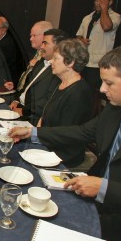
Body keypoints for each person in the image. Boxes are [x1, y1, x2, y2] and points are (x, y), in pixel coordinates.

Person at [10, 45, 121, 241]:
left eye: (109, 83)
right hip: (91, 199)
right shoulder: (117, 109)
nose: (103, 90)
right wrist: (32, 132)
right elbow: (81, 132)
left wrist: (103, 187)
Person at [36, 38, 93, 167]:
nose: (51, 62)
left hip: (62, 158)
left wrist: (36, 136)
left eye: (56, 58)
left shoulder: (79, 93)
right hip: (46, 145)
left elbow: (66, 135)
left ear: (70, 62)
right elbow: (45, 116)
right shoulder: (62, 83)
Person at [8, 29, 68, 125]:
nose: (42, 46)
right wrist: (16, 100)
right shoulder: (40, 62)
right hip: (20, 106)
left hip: (32, 117)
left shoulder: (58, 71)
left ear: (58, 46)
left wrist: (22, 111)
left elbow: (46, 102)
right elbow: (25, 87)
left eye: (45, 43)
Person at [76, 0, 121, 90]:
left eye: (102, 1)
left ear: (110, 2)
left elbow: (106, 27)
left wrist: (104, 9)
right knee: (81, 89)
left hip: (99, 63)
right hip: (83, 60)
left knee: (92, 92)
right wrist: (81, 40)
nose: (98, 3)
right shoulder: (88, 17)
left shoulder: (115, 17)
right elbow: (79, 35)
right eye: (97, 0)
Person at [5, 21, 54, 92]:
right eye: (31, 35)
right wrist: (15, 84)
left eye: (34, 35)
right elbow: (27, 75)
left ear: (45, 36)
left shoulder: (50, 59)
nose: (30, 39)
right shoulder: (36, 52)